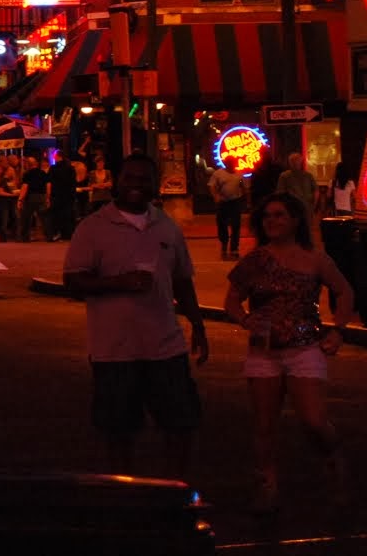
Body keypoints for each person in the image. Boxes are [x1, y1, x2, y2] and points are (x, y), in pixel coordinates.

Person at [63, 153, 208, 481]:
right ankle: (125, 497)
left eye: (144, 180)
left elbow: (183, 281)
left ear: (155, 185)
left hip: (166, 348)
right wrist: (118, 282)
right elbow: (72, 283)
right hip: (114, 352)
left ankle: (177, 491)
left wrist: (197, 324)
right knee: (119, 432)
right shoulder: (93, 228)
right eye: (130, 178)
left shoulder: (167, 227)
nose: (136, 186)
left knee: (181, 426)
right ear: (117, 181)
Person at [223, 195, 355, 514]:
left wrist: (338, 329)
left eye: (280, 215)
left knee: (313, 420)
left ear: (296, 220)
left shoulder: (314, 259)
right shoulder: (255, 260)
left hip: (304, 346)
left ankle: (333, 461)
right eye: (267, 216)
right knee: (265, 423)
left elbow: (344, 291)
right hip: (263, 350)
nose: (272, 221)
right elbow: (232, 300)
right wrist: (244, 319)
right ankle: (267, 485)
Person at [209, 156, 248, 260]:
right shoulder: (218, 174)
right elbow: (212, 186)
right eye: (229, 163)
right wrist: (216, 196)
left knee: (236, 226)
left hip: (235, 202)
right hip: (223, 202)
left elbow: (244, 187)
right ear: (225, 163)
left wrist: (247, 200)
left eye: (233, 163)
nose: (231, 165)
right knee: (222, 225)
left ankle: (234, 249)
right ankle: (224, 246)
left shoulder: (239, 174)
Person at [47, 150, 78, 242]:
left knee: (56, 216)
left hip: (56, 196)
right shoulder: (71, 168)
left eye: (54, 155)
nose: (53, 157)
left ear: (58, 156)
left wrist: (48, 196)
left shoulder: (53, 168)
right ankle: (68, 234)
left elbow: (49, 183)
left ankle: (57, 234)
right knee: (68, 215)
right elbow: (73, 183)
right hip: (68, 196)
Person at [18, 155, 50, 242]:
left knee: (26, 217)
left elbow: (25, 187)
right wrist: (47, 197)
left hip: (31, 197)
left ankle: (25, 238)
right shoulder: (43, 173)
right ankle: (49, 236)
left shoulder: (27, 174)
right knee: (44, 218)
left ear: (28, 165)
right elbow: (48, 185)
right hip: (41, 196)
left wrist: (20, 199)